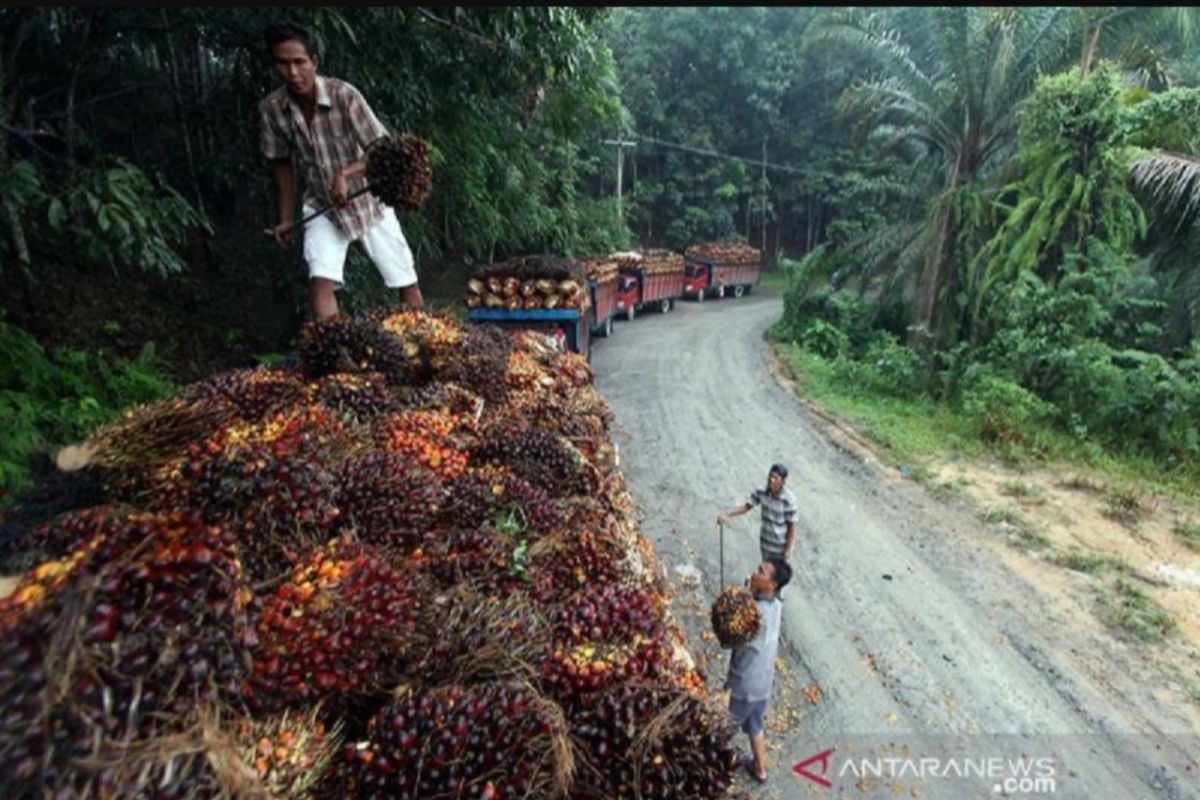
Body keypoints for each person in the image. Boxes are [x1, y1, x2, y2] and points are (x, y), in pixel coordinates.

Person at [259, 21, 423, 320]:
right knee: (320, 281)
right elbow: (282, 164)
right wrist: (284, 218)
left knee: (404, 279)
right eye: (283, 64)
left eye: (299, 62)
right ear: (275, 65)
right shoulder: (272, 109)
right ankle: (337, 355)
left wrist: (345, 174)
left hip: (368, 201)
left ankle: (425, 348)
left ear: (314, 62)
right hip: (322, 204)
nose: (293, 73)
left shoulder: (344, 96)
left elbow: (381, 148)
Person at [725, 557, 791, 783]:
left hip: (744, 685)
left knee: (720, 730)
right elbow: (757, 600)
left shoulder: (755, 617)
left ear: (771, 584)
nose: (754, 572)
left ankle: (716, 769)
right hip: (763, 684)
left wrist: (730, 687)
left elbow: (736, 645)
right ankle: (760, 769)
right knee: (755, 725)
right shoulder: (776, 605)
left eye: (760, 572)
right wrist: (751, 587)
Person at [717, 463, 798, 563]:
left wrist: (788, 549)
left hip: (780, 547)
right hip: (765, 543)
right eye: (770, 476)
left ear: (783, 482)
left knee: (776, 576)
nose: (771, 480)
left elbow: (791, 527)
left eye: (776, 478)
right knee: (765, 573)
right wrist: (727, 514)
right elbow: (747, 506)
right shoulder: (761, 491)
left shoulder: (789, 500)